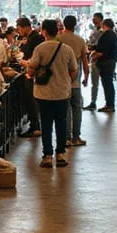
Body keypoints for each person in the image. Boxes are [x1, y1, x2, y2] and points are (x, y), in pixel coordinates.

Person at [27, 19, 77, 168]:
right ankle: (60, 154)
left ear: (44, 32)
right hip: (62, 92)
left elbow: (31, 69)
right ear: (57, 31)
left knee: (46, 124)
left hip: (43, 93)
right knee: (61, 122)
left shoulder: (40, 48)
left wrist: (33, 71)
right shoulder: (67, 49)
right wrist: (65, 79)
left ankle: (47, 155)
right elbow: (74, 70)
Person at [57, 15, 90, 147]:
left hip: (60, 80)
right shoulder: (80, 40)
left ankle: (66, 138)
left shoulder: (58, 39)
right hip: (75, 80)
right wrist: (86, 77)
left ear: (64, 24)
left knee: (65, 110)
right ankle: (76, 137)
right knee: (77, 108)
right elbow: (85, 61)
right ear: (75, 25)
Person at [17, 17, 44, 137]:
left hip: (32, 72)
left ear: (26, 27)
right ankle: (35, 125)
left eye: (19, 28)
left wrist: (22, 59)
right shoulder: (30, 38)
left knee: (31, 99)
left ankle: (35, 127)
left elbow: (29, 55)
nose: (19, 31)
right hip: (30, 71)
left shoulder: (35, 38)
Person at [91, 18, 117, 113]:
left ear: (105, 25)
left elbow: (103, 51)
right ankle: (109, 103)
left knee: (107, 83)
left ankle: (110, 104)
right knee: (107, 83)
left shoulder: (108, 34)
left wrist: (93, 57)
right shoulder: (112, 34)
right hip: (110, 61)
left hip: (107, 62)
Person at [83, 12, 104, 110]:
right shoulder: (93, 30)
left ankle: (109, 103)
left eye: (95, 18)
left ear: (100, 19)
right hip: (94, 58)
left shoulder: (104, 31)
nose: (93, 20)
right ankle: (93, 101)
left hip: (103, 59)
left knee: (106, 82)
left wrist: (93, 46)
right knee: (94, 82)